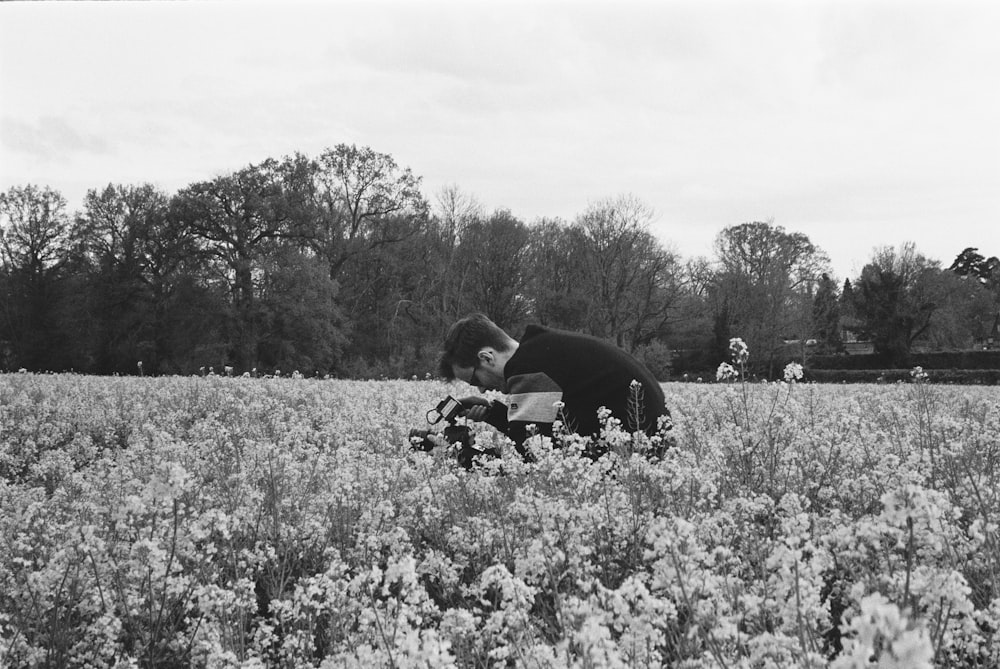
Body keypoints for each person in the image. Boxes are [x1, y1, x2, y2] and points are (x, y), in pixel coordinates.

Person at [437, 313, 670, 459]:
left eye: (476, 380)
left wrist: (459, 455)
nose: (480, 390)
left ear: (487, 358)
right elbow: (539, 432)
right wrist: (491, 412)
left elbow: (526, 455)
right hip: (644, 448)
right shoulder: (542, 349)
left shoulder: (531, 367)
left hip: (636, 459)